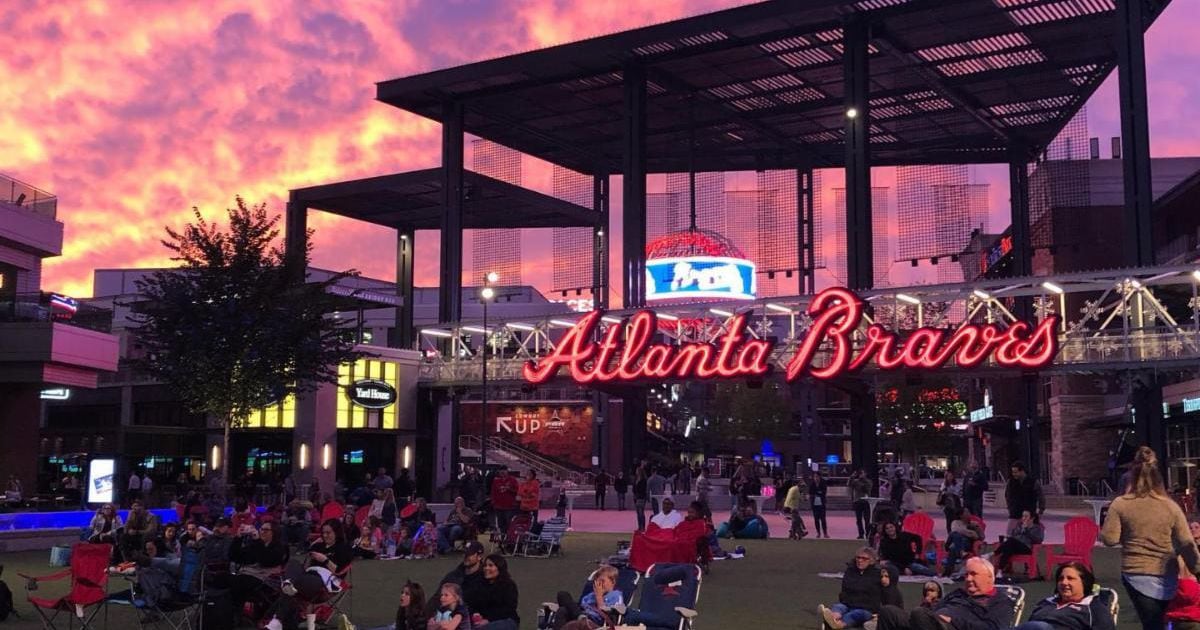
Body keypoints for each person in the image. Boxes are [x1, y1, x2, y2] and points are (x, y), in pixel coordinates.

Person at [1101, 446, 1200, 630]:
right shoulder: (1171, 506)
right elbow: (1187, 543)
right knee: (1162, 622)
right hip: (1167, 575)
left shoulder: (1121, 504)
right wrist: (1196, 568)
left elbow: (1109, 539)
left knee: (1152, 624)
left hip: (1135, 573)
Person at [876, 557, 1014, 630]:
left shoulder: (1000, 601)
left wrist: (953, 621)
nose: (968, 579)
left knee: (920, 614)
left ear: (989, 577)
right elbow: (934, 610)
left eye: (973, 574)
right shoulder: (959, 593)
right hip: (930, 623)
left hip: (953, 627)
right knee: (889, 612)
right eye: (966, 575)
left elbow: (994, 628)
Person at [1014, 561, 1116, 630]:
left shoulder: (1094, 608)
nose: (1064, 582)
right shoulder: (1046, 602)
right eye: (1061, 579)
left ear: (1084, 582)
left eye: (1070, 578)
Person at [229, 521, 289, 620]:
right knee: (221, 579)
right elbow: (234, 557)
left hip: (267, 580)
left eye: (266, 530)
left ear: (275, 532)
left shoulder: (281, 547)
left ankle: (235, 615)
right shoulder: (256, 545)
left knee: (238, 581)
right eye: (261, 529)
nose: (262, 532)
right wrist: (238, 538)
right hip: (248, 576)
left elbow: (266, 561)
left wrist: (258, 541)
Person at [818, 546, 882, 629]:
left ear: (871, 561)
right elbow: (845, 590)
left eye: (864, 558)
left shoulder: (877, 574)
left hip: (866, 609)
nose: (860, 560)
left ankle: (837, 625)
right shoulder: (850, 571)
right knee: (838, 607)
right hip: (848, 604)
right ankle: (832, 619)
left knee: (854, 614)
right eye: (858, 557)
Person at [552, 564, 625, 630]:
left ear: (613, 582)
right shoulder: (590, 595)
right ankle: (580, 616)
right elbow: (581, 606)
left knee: (579, 621)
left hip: (596, 622)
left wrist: (598, 596)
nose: (599, 584)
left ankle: (581, 617)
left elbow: (608, 616)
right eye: (597, 581)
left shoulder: (616, 596)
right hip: (581, 616)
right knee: (562, 601)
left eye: (602, 581)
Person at [466, 554, 519, 630]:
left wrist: (488, 620)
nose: (486, 568)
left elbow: (508, 609)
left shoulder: (508, 585)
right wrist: (475, 614)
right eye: (485, 565)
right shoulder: (478, 584)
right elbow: (470, 603)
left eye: (491, 566)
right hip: (480, 620)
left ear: (499, 568)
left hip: (505, 620)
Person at [1166, 519, 1200, 629]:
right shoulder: (1179, 552)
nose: (1193, 530)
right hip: (1185, 591)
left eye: (1196, 527)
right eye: (1190, 528)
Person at [993, 510, 1044, 578]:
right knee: (1008, 549)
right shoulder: (1020, 525)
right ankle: (999, 571)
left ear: (1032, 518)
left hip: (1026, 547)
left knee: (1011, 542)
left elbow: (1038, 540)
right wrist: (1021, 529)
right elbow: (1013, 534)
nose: (1023, 518)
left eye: (1026, 516)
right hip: (1015, 546)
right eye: (1023, 516)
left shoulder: (1037, 528)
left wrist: (1026, 530)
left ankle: (994, 553)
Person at [941, 507, 986, 578]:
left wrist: (977, 529)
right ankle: (961, 553)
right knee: (955, 536)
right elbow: (956, 530)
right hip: (958, 543)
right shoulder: (955, 522)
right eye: (966, 512)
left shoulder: (974, 524)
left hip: (968, 545)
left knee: (955, 539)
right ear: (961, 515)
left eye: (969, 512)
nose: (969, 514)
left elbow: (981, 537)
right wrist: (971, 533)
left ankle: (947, 572)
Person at [1005, 461, 1045, 536]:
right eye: (1013, 472)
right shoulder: (1010, 482)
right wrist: (1009, 507)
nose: (1014, 474)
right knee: (1009, 534)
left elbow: (1041, 496)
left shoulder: (1033, 482)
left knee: (1029, 535)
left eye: (1015, 472)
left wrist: (1041, 510)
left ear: (1022, 471)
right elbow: (1007, 495)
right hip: (1015, 513)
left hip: (1029, 514)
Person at [489, 468, 518, 534]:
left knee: (509, 523)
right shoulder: (496, 481)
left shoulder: (512, 480)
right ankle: (503, 538)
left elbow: (516, 491)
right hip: (498, 506)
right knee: (501, 524)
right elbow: (493, 492)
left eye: (504, 470)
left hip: (509, 506)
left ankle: (509, 539)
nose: (502, 472)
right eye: (501, 470)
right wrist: (493, 502)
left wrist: (509, 489)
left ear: (507, 471)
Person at [938, 471, 963, 535]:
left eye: (951, 476)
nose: (950, 477)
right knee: (949, 520)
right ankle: (950, 534)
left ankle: (956, 533)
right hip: (947, 505)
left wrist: (952, 493)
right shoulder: (944, 484)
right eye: (948, 476)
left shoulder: (956, 484)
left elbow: (958, 493)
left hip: (955, 504)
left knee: (956, 520)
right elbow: (942, 492)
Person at [850, 470, 872, 540]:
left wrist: (862, 480)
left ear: (865, 474)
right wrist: (851, 477)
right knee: (858, 519)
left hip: (866, 502)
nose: (861, 475)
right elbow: (849, 484)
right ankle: (861, 534)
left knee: (867, 519)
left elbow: (866, 489)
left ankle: (868, 533)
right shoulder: (855, 481)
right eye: (860, 473)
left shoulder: (869, 481)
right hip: (857, 501)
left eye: (862, 473)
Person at [810, 471, 829, 538]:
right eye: (814, 477)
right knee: (816, 519)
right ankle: (818, 533)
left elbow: (823, 492)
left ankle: (825, 533)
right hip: (815, 504)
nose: (815, 478)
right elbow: (811, 493)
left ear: (819, 477)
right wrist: (818, 493)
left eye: (817, 477)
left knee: (823, 519)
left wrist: (817, 493)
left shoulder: (823, 483)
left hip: (822, 503)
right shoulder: (812, 484)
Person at [633, 467, 649, 532]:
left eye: (637, 471)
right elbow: (634, 488)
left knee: (641, 513)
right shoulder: (636, 479)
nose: (636, 472)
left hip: (641, 497)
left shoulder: (643, 480)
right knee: (638, 513)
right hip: (636, 497)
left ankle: (642, 527)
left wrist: (638, 494)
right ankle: (640, 527)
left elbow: (643, 489)